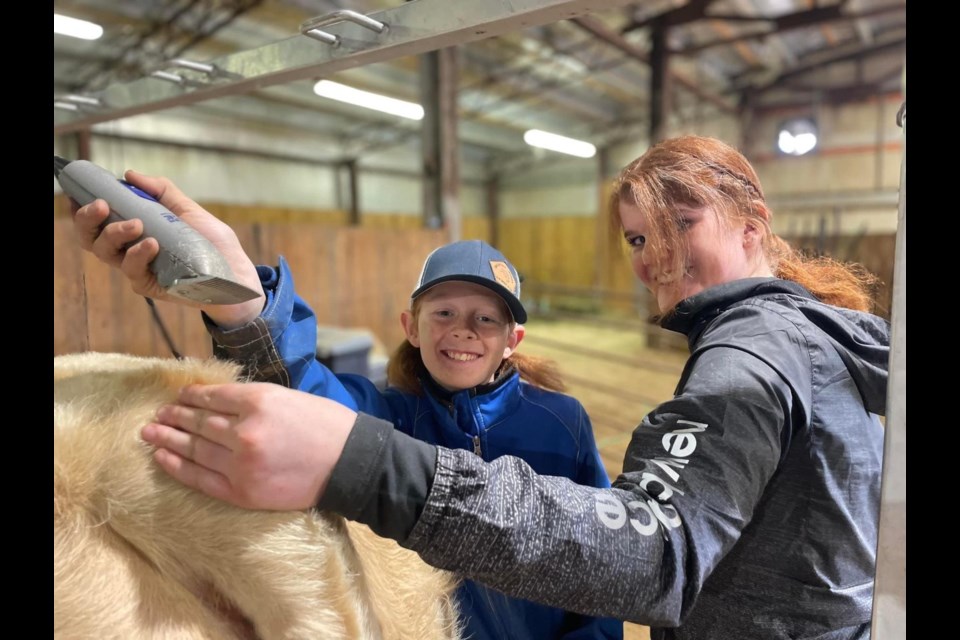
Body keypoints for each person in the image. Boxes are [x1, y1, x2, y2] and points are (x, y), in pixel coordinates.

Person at [76, 135, 890, 639]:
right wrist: (241, 301)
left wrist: (375, 468)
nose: (653, 257)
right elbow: (312, 394)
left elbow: (646, 553)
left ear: (753, 227)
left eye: (684, 223)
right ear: (410, 322)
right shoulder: (806, 344)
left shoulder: (741, 357)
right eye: (641, 236)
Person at [71, 180, 622, 639]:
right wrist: (239, 298)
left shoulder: (562, 421)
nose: (463, 331)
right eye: (445, 312)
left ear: (513, 338)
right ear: (412, 326)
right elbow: (301, 388)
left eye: (486, 319)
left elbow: (599, 562)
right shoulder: (383, 414)